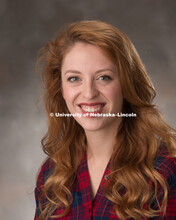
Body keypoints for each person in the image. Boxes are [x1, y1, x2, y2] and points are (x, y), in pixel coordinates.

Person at [34, 20, 176, 220]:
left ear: (127, 84)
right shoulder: (52, 175)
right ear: (61, 89)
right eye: (74, 78)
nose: (89, 93)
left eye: (104, 77)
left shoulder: (165, 171)